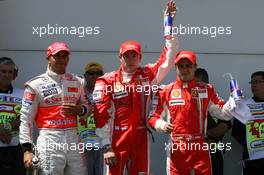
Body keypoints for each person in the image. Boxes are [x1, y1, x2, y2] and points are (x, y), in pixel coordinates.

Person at [93, 1, 179, 174]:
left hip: (141, 137)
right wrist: (106, 146)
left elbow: (170, 55)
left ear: (140, 57)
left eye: (134, 55)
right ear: (120, 58)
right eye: (126, 55)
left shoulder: (148, 74)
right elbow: (101, 115)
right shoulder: (106, 81)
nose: (130, 59)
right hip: (116, 138)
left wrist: (168, 23)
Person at [148, 51, 235, 175]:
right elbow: (152, 117)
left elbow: (224, 114)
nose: (184, 69)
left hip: (200, 145)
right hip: (177, 146)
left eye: (188, 65)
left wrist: (234, 101)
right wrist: (162, 125)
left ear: (195, 67)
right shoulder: (165, 90)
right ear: (175, 68)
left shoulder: (206, 89)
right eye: (180, 66)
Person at [19, 42, 89, 175]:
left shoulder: (78, 81)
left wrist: (80, 110)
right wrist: (27, 150)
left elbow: (88, 107)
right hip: (49, 138)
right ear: (48, 58)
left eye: (65, 56)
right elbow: (26, 120)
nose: (62, 59)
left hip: (74, 138)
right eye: (58, 56)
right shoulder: (35, 85)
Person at [195, 68, 231, 175]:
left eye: (194, 82)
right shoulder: (184, 101)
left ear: (205, 83)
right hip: (190, 153)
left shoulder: (215, 101)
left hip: (212, 152)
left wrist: (204, 136)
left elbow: (224, 126)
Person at [232, 71, 264, 175]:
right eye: (252, 82)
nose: (254, 85)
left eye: (258, 82)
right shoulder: (244, 106)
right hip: (253, 161)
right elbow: (236, 133)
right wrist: (251, 145)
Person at [77, 62, 104, 175]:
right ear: (85, 75)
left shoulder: (107, 92)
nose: (95, 76)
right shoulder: (78, 93)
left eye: (98, 73)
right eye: (91, 73)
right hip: (83, 141)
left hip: (103, 142)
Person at [0, 57, 25, 175]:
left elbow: (25, 117)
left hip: (15, 149)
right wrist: (2, 132)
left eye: (10, 72)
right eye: (3, 71)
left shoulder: (22, 93)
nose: (7, 75)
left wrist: (7, 128)